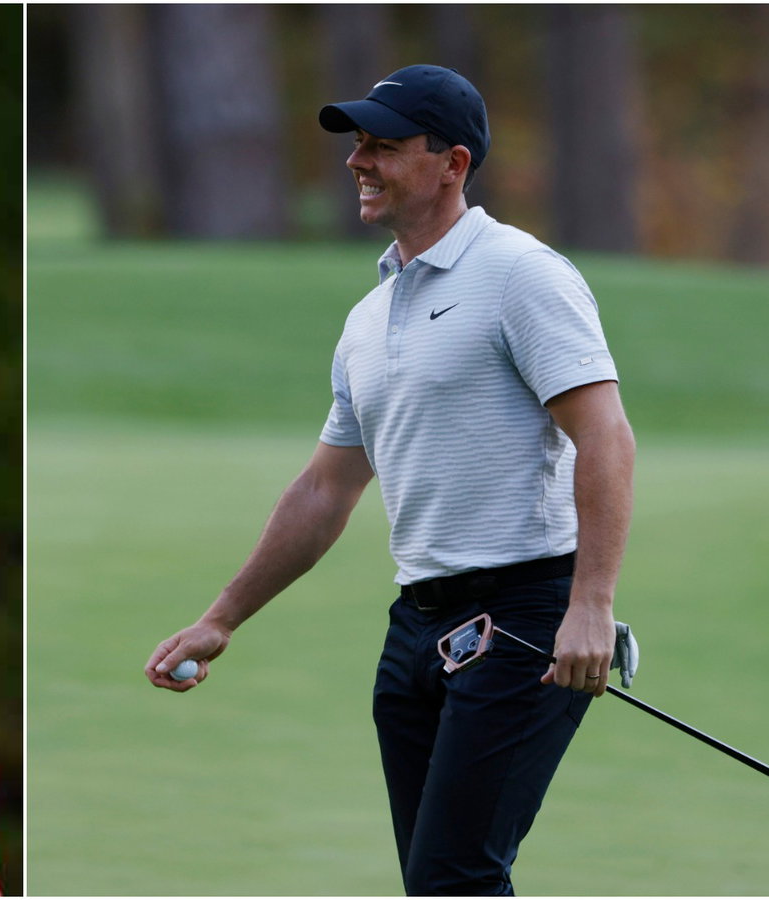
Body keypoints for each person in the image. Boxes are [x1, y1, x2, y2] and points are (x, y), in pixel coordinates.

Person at [144, 65, 635, 896]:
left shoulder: (523, 274)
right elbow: (326, 490)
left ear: (452, 163)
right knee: (435, 881)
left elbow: (606, 437)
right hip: (416, 628)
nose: (357, 161)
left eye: (383, 145)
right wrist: (219, 619)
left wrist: (590, 605)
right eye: (357, 144)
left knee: (454, 877)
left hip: (525, 624)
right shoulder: (369, 317)